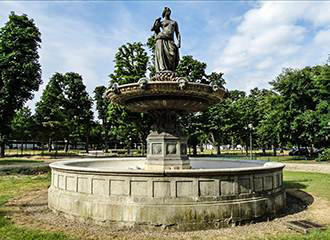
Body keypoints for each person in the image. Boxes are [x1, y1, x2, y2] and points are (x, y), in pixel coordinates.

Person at [151, 7, 181, 72]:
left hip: (170, 40)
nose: (168, 12)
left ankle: (171, 71)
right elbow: (153, 29)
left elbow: (177, 33)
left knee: (172, 55)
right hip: (161, 39)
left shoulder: (174, 22)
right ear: (164, 13)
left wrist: (179, 42)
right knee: (162, 56)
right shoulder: (161, 22)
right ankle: (163, 70)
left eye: (169, 11)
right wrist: (156, 21)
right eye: (167, 11)